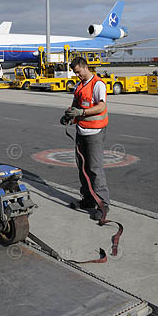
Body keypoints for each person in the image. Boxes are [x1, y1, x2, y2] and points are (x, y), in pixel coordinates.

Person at [61, 57, 109, 220]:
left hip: (95, 132)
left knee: (95, 168)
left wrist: (81, 113)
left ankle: (103, 204)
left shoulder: (98, 84)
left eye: (78, 72)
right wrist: (68, 116)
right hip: (81, 131)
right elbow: (75, 105)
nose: (77, 75)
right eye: (75, 73)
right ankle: (88, 199)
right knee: (82, 168)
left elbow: (101, 106)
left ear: (85, 67)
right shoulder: (79, 86)